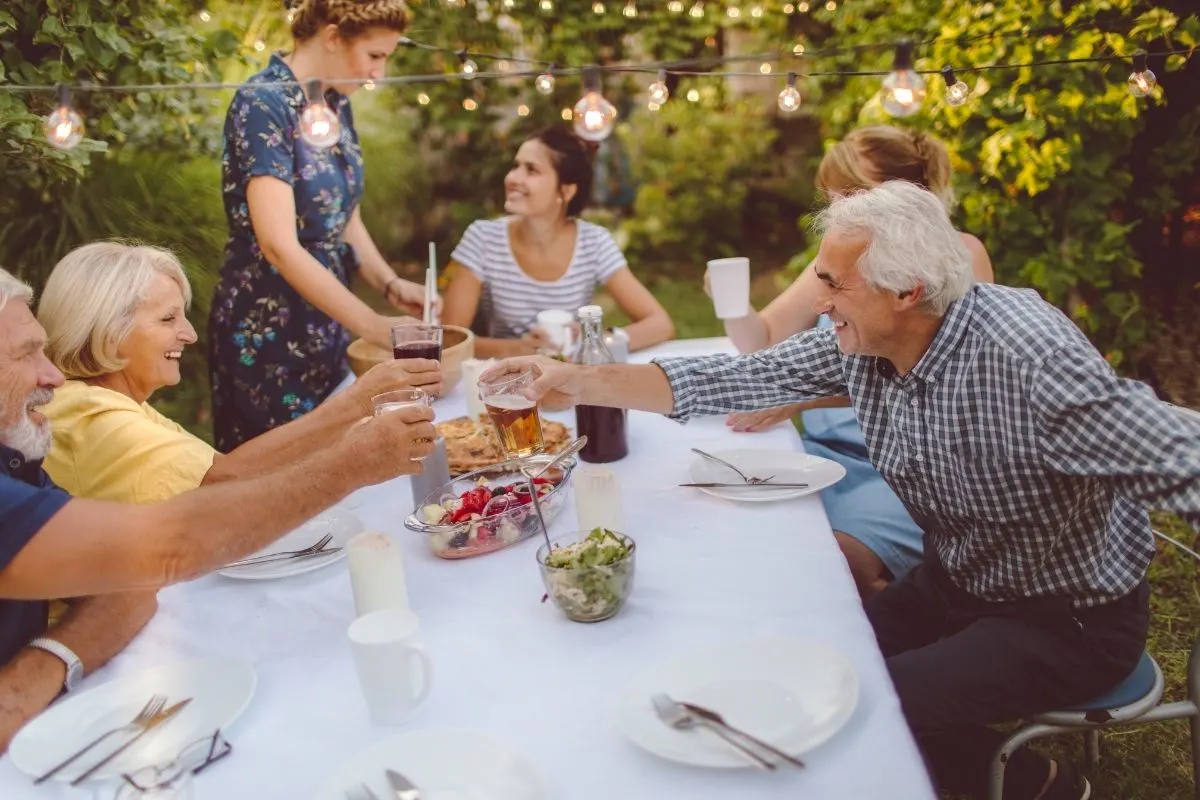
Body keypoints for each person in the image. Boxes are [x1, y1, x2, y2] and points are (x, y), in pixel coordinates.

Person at [483, 182, 1200, 800]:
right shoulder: (866, 339)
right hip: (962, 579)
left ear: (907, 289)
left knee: (872, 705)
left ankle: (1031, 784)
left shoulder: (1029, 360)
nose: (817, 299)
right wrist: (570, 379)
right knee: (815, 667)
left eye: (831, 283)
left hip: (1068, 617)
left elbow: (1179, 452)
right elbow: (726, 378)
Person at [0, 267, 434, 751]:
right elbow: (176, 539)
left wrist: (38, 670)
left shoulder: (21, 454)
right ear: (108, 332)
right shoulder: (82, 413)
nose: (52, 375)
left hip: (58, 717)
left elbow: (134, 582)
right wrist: (350, 459)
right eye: (24, 354)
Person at [710, 125, 995, 598]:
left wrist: (800, 400)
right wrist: (731, 301)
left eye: (847, 194)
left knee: (844, 562)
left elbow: (941, 380)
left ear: (901, 194)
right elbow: (761, 340)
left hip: (907, 463)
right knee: (754, 530)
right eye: (832, 198)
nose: (837, 211)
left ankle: (898, 642)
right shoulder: (837, 261)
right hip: (825, 455)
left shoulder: (959, 255)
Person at [39, 241, 441, 503]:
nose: (190, 335)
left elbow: (217, 468)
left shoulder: (106, 401)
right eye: (167, 319)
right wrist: (354, 406)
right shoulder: (92, 416)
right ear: (109, 333)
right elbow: (225, 485)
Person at [210, 0, 433, 451]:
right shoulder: (262, 103)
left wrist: (387, 282)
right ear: (332, 36)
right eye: (374, 56)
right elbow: (278, 246)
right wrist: (373, 325)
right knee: (280, 476)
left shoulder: (332, 101)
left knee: (335, 463)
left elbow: (342, 210)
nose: (379, 74)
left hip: (327, 318)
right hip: (267, 326)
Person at [441, 126, 674, 358]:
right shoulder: (483, 238)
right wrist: (513, 349)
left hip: (569, 379)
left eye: (531, 170)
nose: (512, 178)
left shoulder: (594, 243)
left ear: (565, 190)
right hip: (503, 381)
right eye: (515, 166)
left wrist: (592, 340)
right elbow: (449, 339)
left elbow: (660, 324)